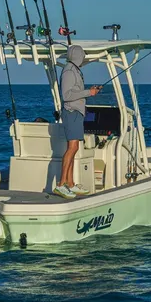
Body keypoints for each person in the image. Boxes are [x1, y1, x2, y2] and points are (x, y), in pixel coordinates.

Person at [54, 44, 102, 199]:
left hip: (76, 113)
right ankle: (61, 185)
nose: (84, 58)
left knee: (73, 148)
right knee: (72, 148)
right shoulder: (69, 71)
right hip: (71, 112)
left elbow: (75, 92)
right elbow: (67, 95)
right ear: (77, 56)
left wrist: (90, 91)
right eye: (82, 55)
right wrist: (89, 92)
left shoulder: (74, 70)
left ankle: (70, 184)